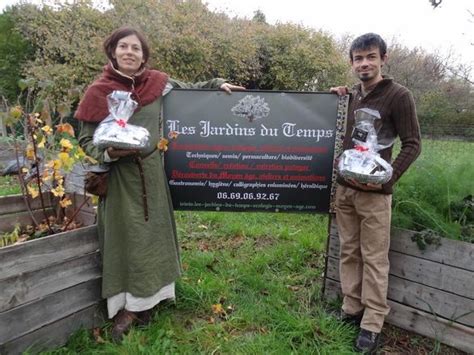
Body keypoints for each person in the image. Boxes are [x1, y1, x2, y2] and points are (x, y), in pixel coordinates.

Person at [74, 26, 244, 341]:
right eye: (123, 46)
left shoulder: (158, 83)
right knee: (127, 238)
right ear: (113, 51)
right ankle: (128, 306)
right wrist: (108, 151)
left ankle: (151, 299)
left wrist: (218, 83)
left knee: (153, 238)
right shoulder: (99, 90)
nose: (129, 52)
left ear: (143, 55)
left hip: (151, 172)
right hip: (120, 177)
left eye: (135, 48)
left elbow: (192, 88)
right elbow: (85, 138)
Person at [331, 33, 421, 353]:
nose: (364, 63)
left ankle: (372, 323)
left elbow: (413, 144)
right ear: (352, 63)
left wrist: (387, 179)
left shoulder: (399, 96)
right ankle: (351, 308)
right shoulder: (353, 94)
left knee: (374, 258)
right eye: (358, 58)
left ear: (384, 58)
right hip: (345, 190)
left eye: (371, 56)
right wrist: (339, 96)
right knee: (349, 251)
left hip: (374, 196)